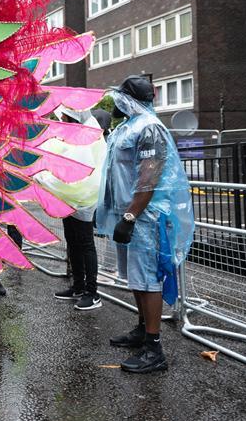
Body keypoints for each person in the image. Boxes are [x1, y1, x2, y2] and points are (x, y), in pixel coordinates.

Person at [96, 75, 194, 374]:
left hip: (144, 217)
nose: (115, 105)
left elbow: (149, 176)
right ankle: (142, 328)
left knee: (148, 278)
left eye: (119, 99)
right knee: (135, 277)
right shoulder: (128, 126)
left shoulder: (149, 128)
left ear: (129, 99)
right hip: (127, 213)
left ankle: (154, 348)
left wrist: (130, 216)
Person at [37, 108, 107, 311]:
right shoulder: (76, 136)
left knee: (85, 243)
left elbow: (75, 170)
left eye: (65, 117)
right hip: (70, 198)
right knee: (73, 241)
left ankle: (92, 293)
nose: (62, 120)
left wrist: (43, 177)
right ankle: (78, 286)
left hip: (82, 199)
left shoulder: (87, 138)